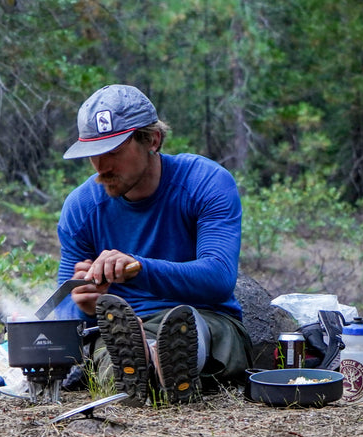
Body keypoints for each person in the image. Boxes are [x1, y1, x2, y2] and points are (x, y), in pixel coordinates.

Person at [54, 84, 251, 405]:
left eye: (114, 151)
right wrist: (85, 306)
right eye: (93, 154)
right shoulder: (81, 207)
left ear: (153, 140)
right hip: (122, 328)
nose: (102, 166)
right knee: (109, 347)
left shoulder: (205, 182)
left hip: (207, 317)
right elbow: (66, 306)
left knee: (187, 326)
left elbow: (219, 278)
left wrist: (138, 269)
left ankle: (160, 360)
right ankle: (143, 364)